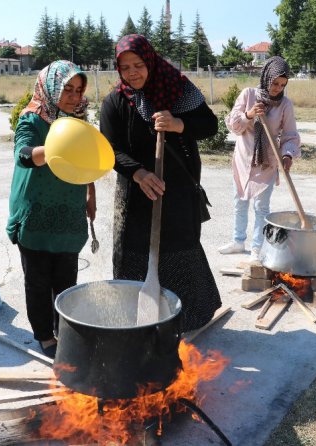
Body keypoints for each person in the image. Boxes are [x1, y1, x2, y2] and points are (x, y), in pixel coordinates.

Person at [99, 34, 221, 332]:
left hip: (177, 193)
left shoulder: (177, 90)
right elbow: (107, 149)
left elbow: (210, 125)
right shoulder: (115, 101)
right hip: (136, 193)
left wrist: (179, 124)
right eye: (125, 67)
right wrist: (139, 173)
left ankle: (187, 318)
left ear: (150, 62)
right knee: (136, 251)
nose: (132, 73)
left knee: (179, 248)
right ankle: (138, 319)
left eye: (138, 64)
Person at [6, 60, 96, 358]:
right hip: (37, 211)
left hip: (69, 210)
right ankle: (44, 336)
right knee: (38, 280)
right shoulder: (32, 119)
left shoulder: (79, 120)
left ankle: (64, 330)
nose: (73, 96)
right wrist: (51, 149)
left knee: (67, 279)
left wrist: (91, 193)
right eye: (67, 89)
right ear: (51, 88)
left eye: (78, 90)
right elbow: (23, 154)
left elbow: (88, 160)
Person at [219, 56, 301, 263]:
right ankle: (238, 241)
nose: (277, 88)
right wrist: (249, 114)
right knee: (239, 201)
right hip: (244, 156)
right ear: (266, 77)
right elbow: (234, 125)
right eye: (275, 83)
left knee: (261, 207)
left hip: (267, 161)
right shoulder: (248, 95)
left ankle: (257, 247)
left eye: (282, 85)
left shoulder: (285, 105)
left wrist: (288, 154)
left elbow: (290, 134)